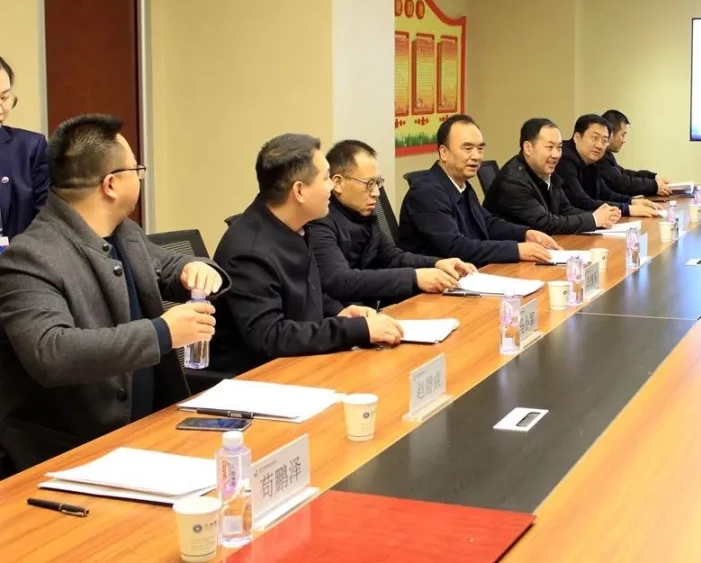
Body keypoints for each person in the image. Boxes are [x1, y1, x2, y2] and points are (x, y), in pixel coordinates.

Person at [0, 114, 227, 470]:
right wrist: (163, 333)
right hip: (73, 452)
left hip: (152, 428)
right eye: (136, 169)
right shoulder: (30, 257)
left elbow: (167, 265)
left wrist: (194, 268)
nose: (139, 176)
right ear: (110, 184)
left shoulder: (124, 231)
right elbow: (52, 352)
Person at [212, 134, 403, 375]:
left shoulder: (296, 226)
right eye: (325, 178)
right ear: (299, 191)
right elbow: (271, 336)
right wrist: (356, 330)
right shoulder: (248, 252)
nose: (332, 186)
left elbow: (308, 292)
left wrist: (339, 312)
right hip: (256, 379)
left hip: (302, 365)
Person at [307, 139, 475, 308]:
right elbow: (341, 280)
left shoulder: (363, 216)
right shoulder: (319, 222)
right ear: (338, 183)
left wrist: (437, 263)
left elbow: (393, 258)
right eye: (369, 184)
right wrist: (414, 277)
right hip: (338, 316)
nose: (376, 193)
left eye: (377, 183)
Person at [398, 114, 560, 266]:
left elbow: (487, 223)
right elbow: (457, 248)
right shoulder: (426, 193)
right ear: (444, 152)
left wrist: (526, 234)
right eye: (467, 149)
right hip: (435, 281)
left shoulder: (461, 184)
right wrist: (516, 250)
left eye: (480, 149)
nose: (476, 156)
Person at [484, 118, 622, 235]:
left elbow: (564, 209)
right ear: (528, 148)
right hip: (513, 251)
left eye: (559, 148)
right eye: (549, 147)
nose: (556, 155)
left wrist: (598, 216)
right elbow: (545, 223)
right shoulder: (514, 181)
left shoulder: (546, 170)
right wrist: (593, 220)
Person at [556, 114, 663, 218]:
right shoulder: (563, 159)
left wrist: (632, 201)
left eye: (604, 141)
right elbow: (581, 202)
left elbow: (605, 193)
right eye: (594, 138)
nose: (599, 146)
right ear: (577, 137)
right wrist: (626, 209)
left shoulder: (591, 160)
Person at [0, 55, 49, 243]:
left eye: (4, 97)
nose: (1, 109)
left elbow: (48, 222)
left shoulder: (30, 149)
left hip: (17, 258)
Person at [597, 110, 672, 197]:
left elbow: (624, 174)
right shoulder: (598, 157)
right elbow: (621, 183)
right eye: (622, 135)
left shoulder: (607, 155)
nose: (624, 140)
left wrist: (653, 177)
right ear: (609, 133)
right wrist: (653, 186)